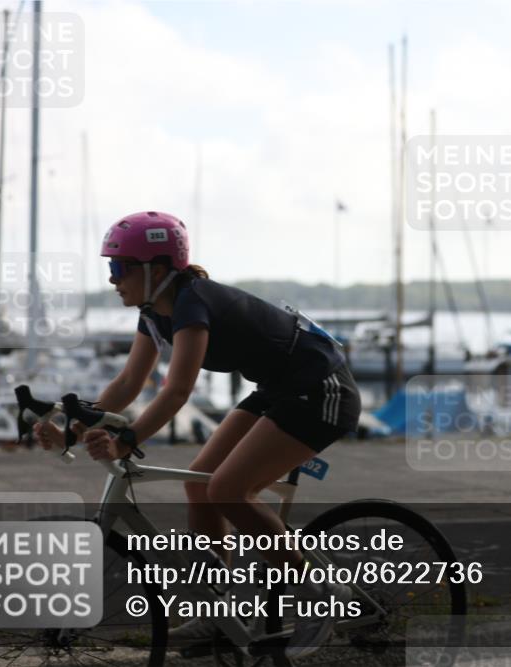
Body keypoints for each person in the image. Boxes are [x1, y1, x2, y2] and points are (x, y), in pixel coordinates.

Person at [33, 211, 361, 658]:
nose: (112, 278)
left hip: (322, 388)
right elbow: (127, 383)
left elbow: (178, 390)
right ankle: (217, 613)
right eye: (110, 266)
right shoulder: (155, 313)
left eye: (120, 267)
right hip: (278, 389)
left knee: (227, 490)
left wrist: (127, 440)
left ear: (157, 271)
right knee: (199, 483)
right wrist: (73, 433)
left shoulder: (192, 302)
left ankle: (319, 595)